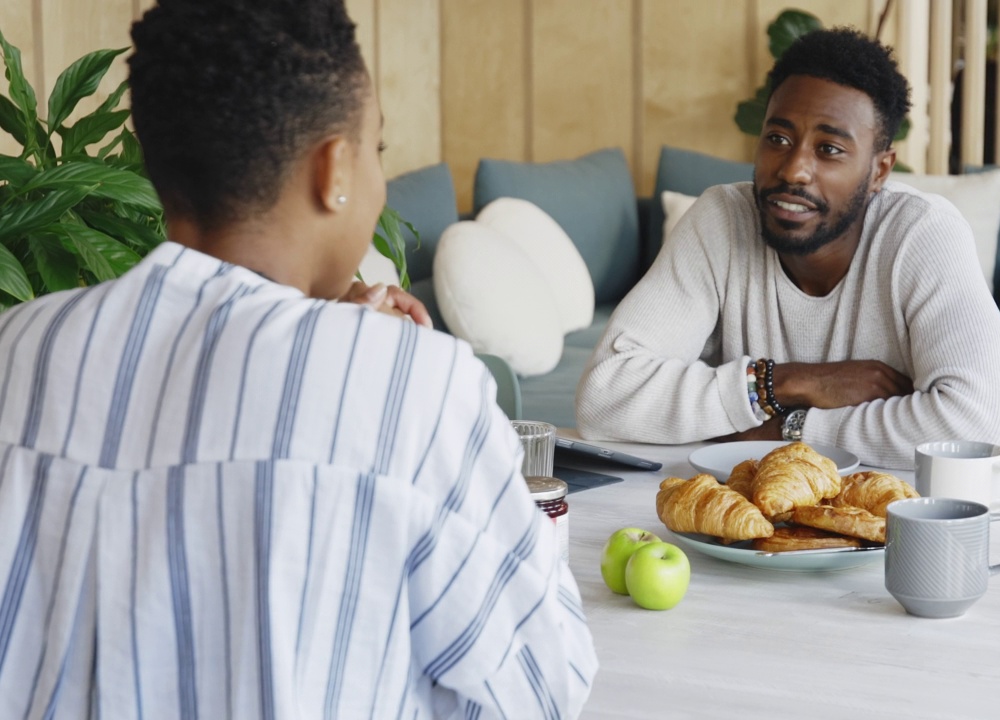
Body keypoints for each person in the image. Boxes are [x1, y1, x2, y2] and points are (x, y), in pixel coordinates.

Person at [0, 1, 596, 717]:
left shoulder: (18, 349)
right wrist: (389, 371)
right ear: (333, 169)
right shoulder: (411, 387)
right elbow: (543, 682)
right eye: (376, 152)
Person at [576, 27, 1000, 469]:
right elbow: (605, 397)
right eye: (778, 139)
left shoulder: (921, 235)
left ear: (879, 170)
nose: (794, 170)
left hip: (890, 523)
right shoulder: (722, 220)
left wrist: (779, 432)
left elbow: (981, 430)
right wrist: (787, 382)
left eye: (829, 149)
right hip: (746, 518)